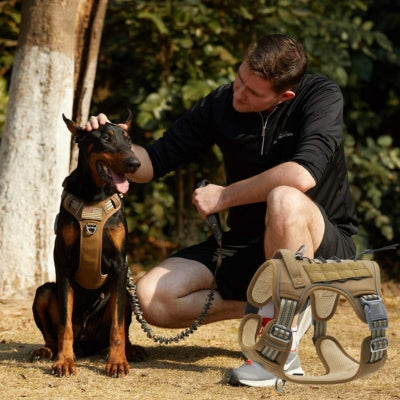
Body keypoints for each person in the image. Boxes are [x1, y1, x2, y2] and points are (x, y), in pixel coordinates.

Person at [84, 34, 358, 386]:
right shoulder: (222, 102)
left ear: (283, 96)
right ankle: (290, 304)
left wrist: (224, 196)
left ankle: (278, 351)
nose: (239, 94)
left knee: (284, 197)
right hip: (247, 245)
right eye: (239, 79)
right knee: (153, 298)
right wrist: (114, 143)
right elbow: (152, 163)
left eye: (253, 92)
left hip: (321, 243)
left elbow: (301, 175)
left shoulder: (320, 96)